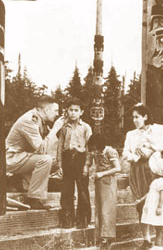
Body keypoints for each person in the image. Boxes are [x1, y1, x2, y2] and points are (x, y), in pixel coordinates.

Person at [6, 95, 64, 209]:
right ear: (46, 110)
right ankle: (34, 198)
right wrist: (55, 129)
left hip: (23, 158)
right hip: (11, 159)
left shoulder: (41, 121)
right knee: (45, 160)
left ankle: (25, 185)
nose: (57, 114)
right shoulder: (30, 121)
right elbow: (41, 149)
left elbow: (54, 146)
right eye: (55, 110)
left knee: (59, 161)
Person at [123, 103, 163, 250]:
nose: (135, 120)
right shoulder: (130, 134)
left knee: (154, 203)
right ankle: (146, 239)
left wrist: (148, 149)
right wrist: (135, 156)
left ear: (145, 117)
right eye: (133, 117)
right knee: (141, 205)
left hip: (151, 169)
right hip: (136, 171)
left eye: (138, 117)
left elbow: (160, 146)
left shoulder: (155, 131)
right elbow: (125, 153)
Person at [57, 97, 92, 229]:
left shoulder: (86, 128)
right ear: (67, 111)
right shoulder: (64, 128)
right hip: (67, 160)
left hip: (80, 159)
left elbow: (89, 148)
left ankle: (83, 219)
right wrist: (59, 164)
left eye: (76, 110)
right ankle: (67, 218)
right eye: (70, 110)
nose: (73, 113)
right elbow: (60, 147)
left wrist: (86, 165)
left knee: (82, 190)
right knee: (66, 190)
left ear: (81, 112)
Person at [84, 134, 121, 250]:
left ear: (100, 146)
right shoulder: (94, 152)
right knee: (100, 210)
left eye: (95, 149)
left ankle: (107, 237)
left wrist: (102, 174)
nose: (94, 152)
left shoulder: (109, 151)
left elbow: (118, 168)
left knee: (107, 210)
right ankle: (101, 237)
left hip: (109, 183)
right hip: (99, 183)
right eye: (92, 150)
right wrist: (86, 169)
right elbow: (88, 161)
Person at [141, 152, 163, 250]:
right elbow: (151, 193)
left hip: (159, 207)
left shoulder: (161, 181)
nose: (150, 172)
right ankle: (159, 245)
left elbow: (162, 194)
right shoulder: (155, 181)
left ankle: (160, 245)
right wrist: (141, 199)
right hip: (155, 207)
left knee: (160, 227)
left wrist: (159, 206)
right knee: (157, 226)